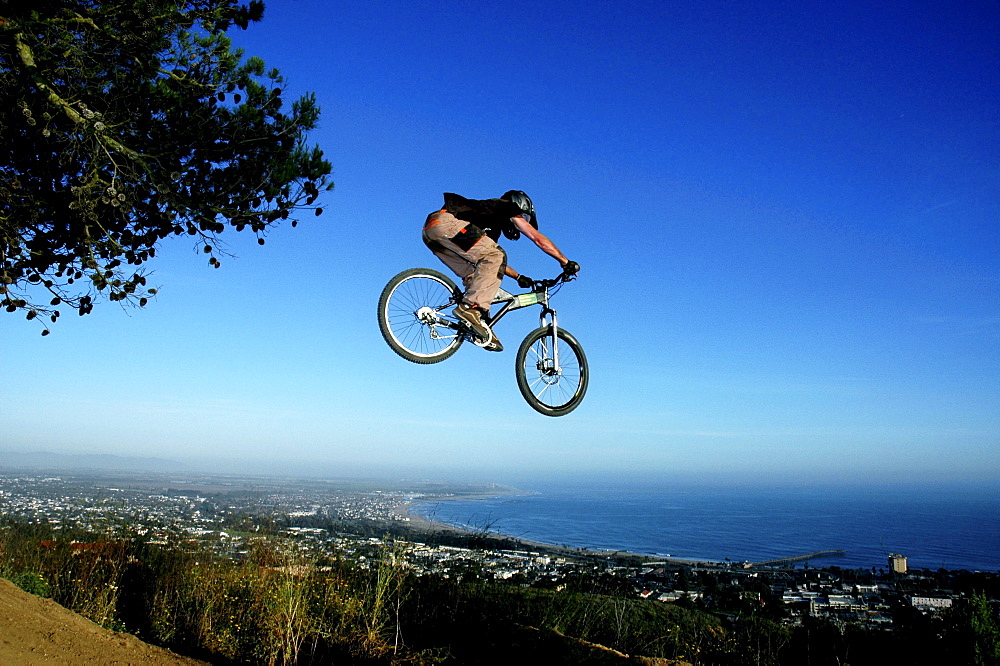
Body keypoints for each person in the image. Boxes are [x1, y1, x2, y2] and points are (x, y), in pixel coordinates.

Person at [422, 190, 579, 352]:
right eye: (524, 218)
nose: (521, 222)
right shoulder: (507, 207)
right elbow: (536, 238)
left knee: (478, 274)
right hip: (446, 223)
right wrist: (565, 261)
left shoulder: (491, 228)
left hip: (432, 232)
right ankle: (470, 308)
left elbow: (491, 263)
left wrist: (519, 277)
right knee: (496, 254)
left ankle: (478, 326)